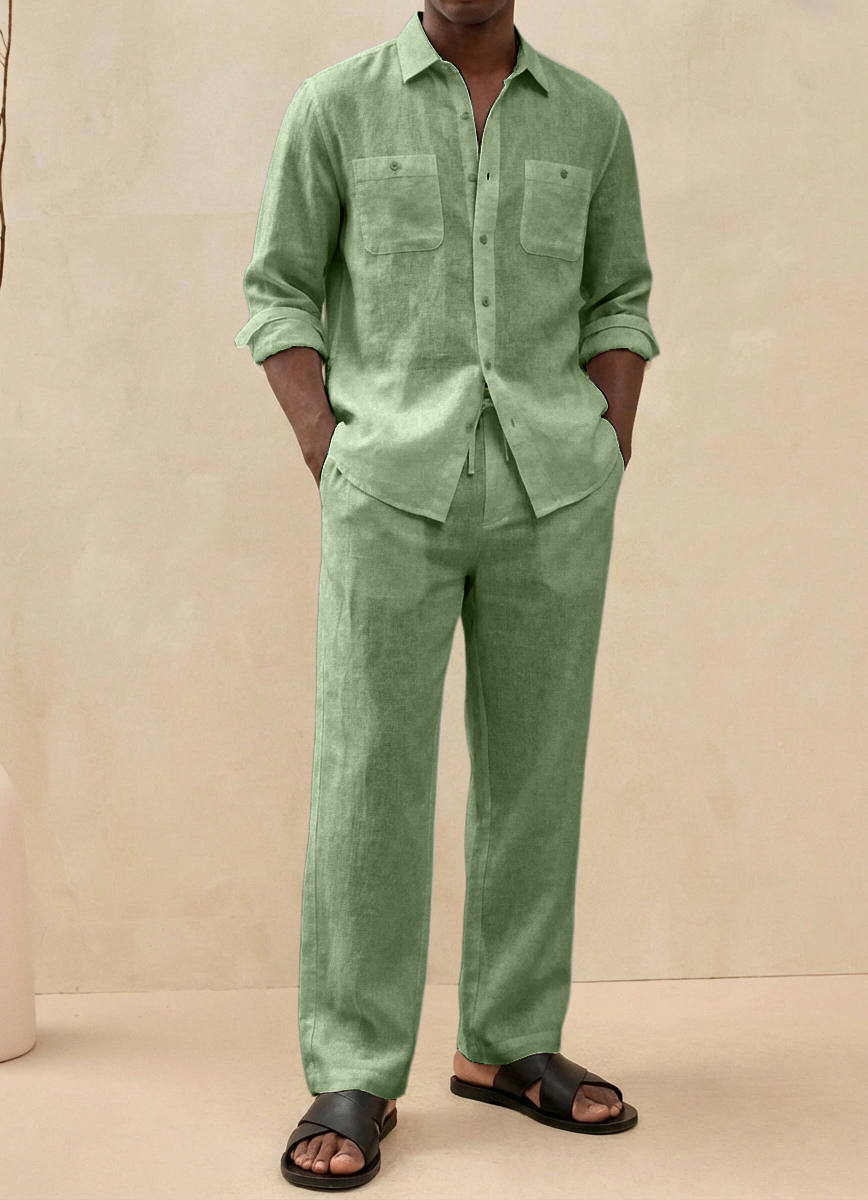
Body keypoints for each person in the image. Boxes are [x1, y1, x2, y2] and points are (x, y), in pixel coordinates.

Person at [235, 2, 660, 1189]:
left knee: (536, 771)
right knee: (367, 777)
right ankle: (353, 1069)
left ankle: (508, 1042)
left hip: (552, 487)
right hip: (389, 488)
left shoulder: (590, 119)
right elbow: (278, 291)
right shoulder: (334, 107)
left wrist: (607, 440)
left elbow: (618, 297)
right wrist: (329, 447)